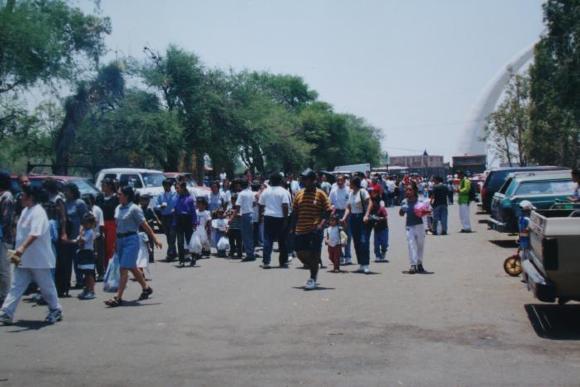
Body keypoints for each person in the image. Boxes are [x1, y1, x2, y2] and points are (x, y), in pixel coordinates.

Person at [0, 186, 63, 325]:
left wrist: (22, 247)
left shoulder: (38, 212)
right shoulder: (24, 211)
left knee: (46, 287)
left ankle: (55, 309)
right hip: (22, 258)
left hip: (38, 258)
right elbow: (20, 233)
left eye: (23, 195)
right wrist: (16, 251)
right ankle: (6, 312)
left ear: (31, 197)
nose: (21, 197)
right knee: (16, 286)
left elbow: (35, 233)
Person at [104, 186, 161, 307]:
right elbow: (117, 227)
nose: (118, 196)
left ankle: (117, 297)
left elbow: (144, 225)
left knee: (123, 268)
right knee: (132, 267)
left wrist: (155, 238)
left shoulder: (134, 209)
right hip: (120, 240)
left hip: (131, 240)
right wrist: (115, 242)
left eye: (120, 194)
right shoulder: (118, 208)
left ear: (127, 196)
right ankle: (146, 288)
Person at [291, 169, 331, 290]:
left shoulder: (320, 194)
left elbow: (328, 210)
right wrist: (292, 228)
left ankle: (312, 278)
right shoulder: (299, 193)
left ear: (313, 180)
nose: (303, 181)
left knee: (314, 254)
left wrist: (321, 224)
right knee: (299, 253)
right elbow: (295, 212)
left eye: (306, 179)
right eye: (302, 179)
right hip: (300, 229)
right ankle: (314, 265)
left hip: (315, 230)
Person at [57, 183, 88, 297]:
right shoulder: (64, 203)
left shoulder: (80, 203)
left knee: (78, 259)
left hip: (77, 235)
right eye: (65, 191)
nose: (66, 193)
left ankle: (80, 281)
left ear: (73, 191)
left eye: (68, 191)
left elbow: (85, 219)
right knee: (67, 261)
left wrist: (83, 234)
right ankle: (67, 281)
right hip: (67, 236)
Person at [341, 176, 373, 274]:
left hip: (362, 218)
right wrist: (344, 217)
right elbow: (348, 207)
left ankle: (366, 264)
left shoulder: (362, 192)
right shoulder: (351, 193)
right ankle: (361, 264)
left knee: (364, 241)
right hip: (353, 218)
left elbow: (370, 203)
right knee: (356, 242)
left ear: (354, 184)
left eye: (350, 183)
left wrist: (366, 215)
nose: (349, 184)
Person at [259, 172, 290, 269]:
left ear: (271, 181)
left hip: (268, 217)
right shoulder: (284, 191)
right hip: (280, 217)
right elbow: (285, 206)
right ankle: (283, 262)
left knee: (268, 239)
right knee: (282, 240)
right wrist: (285, 219)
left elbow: (261, 205)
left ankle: (266, 262)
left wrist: (261, 216)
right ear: (281, 181)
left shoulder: (266, 191)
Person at [399, 184, 428, 274]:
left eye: (410, 189)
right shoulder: (404, 201)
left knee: (420, 245)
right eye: (406, 189)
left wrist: (422, 211)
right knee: (411, 245)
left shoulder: (421, 200)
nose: (407, 191)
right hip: (409, 226)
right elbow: (401, 214)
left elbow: (427, 212)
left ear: (415, 191)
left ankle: (419, 263)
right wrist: (402, 210)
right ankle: (413, 265)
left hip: (420, 225)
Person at [329, 175, 352, 265]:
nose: (339, 182)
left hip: (347, 212)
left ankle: (348, 256)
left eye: (341, 180)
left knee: (347, 235)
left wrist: (346, 215)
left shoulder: (348, 190)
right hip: (337, 213)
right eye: (338, 180)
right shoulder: (334, 190)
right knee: (337, 235)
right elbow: (330, 202)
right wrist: (332, 210)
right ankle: (340, 256)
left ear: (344, 181)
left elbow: (350, 204)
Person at [82, 194, 105, 280]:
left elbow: (101, 224)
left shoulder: (97, 210)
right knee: (89, 258)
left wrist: (102, 234)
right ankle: (90, 275)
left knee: (99, 256)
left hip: (97, 236)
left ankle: (101, 273)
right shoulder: (84, 211)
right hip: (87, 238)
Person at [174, 181, 197, 267]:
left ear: (183, 188)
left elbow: (193, 211)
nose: (177, 190)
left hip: (188, 220)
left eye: (178, 188)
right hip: (179, 220)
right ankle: (181, 260)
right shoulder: (177, 198)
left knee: (190, 241)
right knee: (180, 241)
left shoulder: (190, 198)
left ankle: (193, 257)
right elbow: (175, 211)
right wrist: (174, 222)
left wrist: (194, 222)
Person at [0, 172, 15, 305]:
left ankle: (5, 296)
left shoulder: (7, 197)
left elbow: (6, 220)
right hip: (3, 237)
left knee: (5, 269)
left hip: (5, 238)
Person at [155, 179, 177, 261]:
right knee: (168, 234)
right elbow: (156, 205)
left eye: (167, 185)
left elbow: (177, 203)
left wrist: (175, 209)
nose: (165, 187)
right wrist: (160, 206)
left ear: (170, 186)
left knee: (172, 234)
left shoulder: (175, 194)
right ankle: (173, 251)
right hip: (164, 217)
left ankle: (170, 253)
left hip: (172, 216)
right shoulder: (161, 195)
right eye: (164, 185)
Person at [76, 213, 97, 300]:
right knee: (85, 273)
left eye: (86, 223)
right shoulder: (85, 231)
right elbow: (77, 240)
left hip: (88, 253)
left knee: (89, 273)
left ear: (91, 224)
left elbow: (82, 240)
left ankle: (92, 291)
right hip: (82, 253)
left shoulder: (90, 232)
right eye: (83, 223)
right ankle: (86, 289)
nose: (84, 225)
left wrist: (80, 233)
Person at [98, 178, 119, 268]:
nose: (102, 186)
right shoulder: (99, 197)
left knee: (110, 246)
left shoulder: (116, 198)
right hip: (101, 223)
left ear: (110, 186)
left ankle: (111, 267)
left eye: (104, 185)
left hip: (112, 224)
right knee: (101, 247)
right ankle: (103, 267)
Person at [235, 179, 256, 262]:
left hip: (245, 214)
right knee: (250, 235)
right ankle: (251, 252)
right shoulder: (251, 192)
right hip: (251, 214)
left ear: (241, 185)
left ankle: (250, 254)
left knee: (245, 235)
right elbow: (254, 203)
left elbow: (237, 205)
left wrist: (235, 214)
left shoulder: (241, 194)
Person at [369, 185, 389, 263]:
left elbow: (385, 216)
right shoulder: (370, 202)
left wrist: (380, 218)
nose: (372, 193)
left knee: (384, 243)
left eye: (374, 192)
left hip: (384, 227)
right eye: (371, 192)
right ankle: (377, 255)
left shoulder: (381, 202)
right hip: (376, 227)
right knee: (376, 243)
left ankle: (383, 252)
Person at [226, 194, 243, 258]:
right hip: (231, 227)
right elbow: (226, 214)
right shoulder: (230, 207)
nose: (233, 201)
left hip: (238, 227)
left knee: (239, 242)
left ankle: (239, 254)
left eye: (234, 200)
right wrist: (228, 214)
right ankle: (232, 252)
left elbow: (241, 215)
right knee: (231, 241)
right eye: (232, 200)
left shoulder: (240, 208)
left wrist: (234, 214)